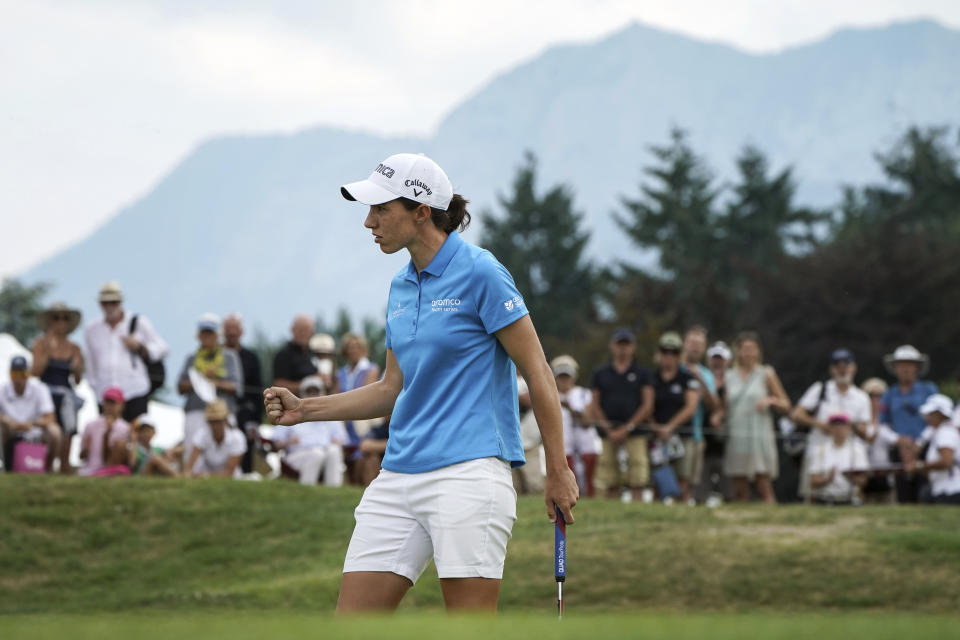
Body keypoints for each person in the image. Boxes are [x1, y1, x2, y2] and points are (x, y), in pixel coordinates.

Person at [263, 152, 578, 613]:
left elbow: (538, 373)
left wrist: (557, 468)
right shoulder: (400, 287)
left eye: (381, 210)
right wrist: (305, 410)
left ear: (421, 211)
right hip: (399, 475)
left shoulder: (482, 272)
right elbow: (392, 388)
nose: (370, 222)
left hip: (470, 474)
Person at [790, 349, 871, 501]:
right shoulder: (820, 389)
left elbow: (865, 430)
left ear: (854, 368)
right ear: (831, 369)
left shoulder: (861, 397)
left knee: (853, 492)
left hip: (849, 453)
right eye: (837, 366)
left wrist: (847, 426)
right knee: (812, 493)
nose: (842, 369)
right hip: (818, 449)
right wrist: (822, 425)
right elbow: (796, 414)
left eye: (846, 365)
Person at [722, 332, 791, 503]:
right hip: (737, 435)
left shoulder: (766, 373)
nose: (748, 353)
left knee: (763, 485)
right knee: (739, 488)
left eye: (752, 349)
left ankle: (771, 523)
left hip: (759, 435)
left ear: (758, 351)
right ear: (737, 351)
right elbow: (724, 407)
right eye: (744, 349)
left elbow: (786, 405)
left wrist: (770, 401)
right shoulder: (728, 376)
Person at [84, 281, 168, 421]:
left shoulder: (138, 322)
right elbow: (91, 362)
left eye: (114, 302)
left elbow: (163, 348)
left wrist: (140, 347)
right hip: (106, 394)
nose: (110, 307)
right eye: (106, 303)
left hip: (134, 390)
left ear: (120, 302)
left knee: (135, 434)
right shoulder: (92, 329)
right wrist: (94, 386)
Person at [589, 328, 654, 501]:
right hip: (608, 433)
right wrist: (608, 429)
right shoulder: (600, 373)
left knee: (637, 476)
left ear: (633, 347)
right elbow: (595, 404)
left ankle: (636, 512)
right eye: (620, 344)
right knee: (609, 476)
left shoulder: (643, 374)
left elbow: (647, 405)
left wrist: (627, 428)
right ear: (612, 346)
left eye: (627, 344)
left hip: (636, 432)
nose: (623, 348)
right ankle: (613, 512)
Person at [176, 313, 243, 464]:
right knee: (193, 454)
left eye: (210, 333)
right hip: (195, 411)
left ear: (217, 334)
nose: (207, 336)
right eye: (204, 333)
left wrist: (213, 382)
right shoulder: (191, 359)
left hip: (222, 412)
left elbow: (236, 387)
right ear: (198, 335)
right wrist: (200, 380)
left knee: (225, 455)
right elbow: (180, 386)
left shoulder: (229, 356)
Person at [880, 345, 937, 503]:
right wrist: (898, 440)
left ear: (916, 367)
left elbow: (937, 421)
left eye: (909, 364)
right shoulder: (889, 394)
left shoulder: (928, 390)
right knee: (903, 494)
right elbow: (882, 425)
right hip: (899, 452)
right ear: (895, 367)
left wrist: (919, 443)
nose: (905, 368)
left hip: (925, 449)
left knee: (925, 492)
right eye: (901, 364)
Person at [32, 302, 85, 473]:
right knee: (46, 431)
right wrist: (47, 354)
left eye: (64, 318)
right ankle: (43, 466)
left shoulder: (75, 348)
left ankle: (64, 467)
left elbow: (77, 380)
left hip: (67, 397)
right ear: (50, 321)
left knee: (68, 431)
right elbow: (34, 373)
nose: (60, 322)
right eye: (56, 318)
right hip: (46, 394)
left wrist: (77, 367)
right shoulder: (40, 344)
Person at [649, 332, 700, 502]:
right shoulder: (651, 378)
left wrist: (669, 427)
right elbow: (646, 405)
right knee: (657, 479)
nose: (668, 356)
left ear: (679, 355)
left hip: (682, 436)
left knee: (682, 480)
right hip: (656, 438)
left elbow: (691, 407)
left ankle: (682, 519)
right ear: (659, 353)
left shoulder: (687, 378)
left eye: (674, 352)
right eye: (665, 352)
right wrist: (656, 427)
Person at [272, 375, 348, 486]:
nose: (313, 395)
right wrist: (288, 442)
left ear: (322, 393)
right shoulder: (291, 413)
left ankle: (333, 490)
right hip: (298, 454)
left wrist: (337, 441)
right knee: (316, 454)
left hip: (325, 452)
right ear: (302, 394)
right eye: (309, 392)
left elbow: (342, 440)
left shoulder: (331, 415)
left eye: (316, 391)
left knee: (334, 450)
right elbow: (276, 443)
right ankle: (307, 487)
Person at [678, 327, 718, 503]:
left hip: (696, 435)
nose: (695, 347)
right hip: (673, 435)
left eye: (699, 344)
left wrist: (700, 380)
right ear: (685, 344)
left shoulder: (706, 374)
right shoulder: (674, 367)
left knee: (690, 481)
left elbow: (713, 406)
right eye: (692, 343)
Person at [0, 356, 60, 472]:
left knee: (55, 432)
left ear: (28, 374)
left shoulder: (40, 388)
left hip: (34, 430)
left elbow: (50, 417)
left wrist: (31, 424)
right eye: (14, 374)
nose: (18, 379)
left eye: (21, 374)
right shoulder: (2, 389)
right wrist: (8, 421)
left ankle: (47, 468)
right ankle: (5, 468)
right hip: (9, 430)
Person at [223, 313, 264, 474]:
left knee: (246, 443)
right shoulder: (216, 355)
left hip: (244, 412)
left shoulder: (251, 358)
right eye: (228, 329)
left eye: (235, 329)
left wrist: (257, 421)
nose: (232, 333)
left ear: (241, 331)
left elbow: (257, 391)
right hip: (221, 409)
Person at [553, 355, 597, 498]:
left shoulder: (583, 394)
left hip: (585, 445)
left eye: (567, 376)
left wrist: (570, 408)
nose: (564, 380)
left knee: (588, 479)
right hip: (565, 446)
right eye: (561, 376)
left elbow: (587, 421)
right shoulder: (551, 395)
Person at [909, 394, 960, 505]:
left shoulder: (945, 432)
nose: (927, 417)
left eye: (931, 414)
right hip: (945, 490)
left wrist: (920, 465)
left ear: (940, 415)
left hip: (950, 492)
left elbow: (946, 461)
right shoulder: (942, 431)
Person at [807, 414, 869, 505]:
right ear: (830, 428)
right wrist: (827, 479)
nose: (838, 429)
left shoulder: (857, 450)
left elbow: (863, 480)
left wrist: (851, 477)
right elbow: (813, 481)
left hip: (849, 500)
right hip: (825, 500)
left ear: (848, 428)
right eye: (835, 425)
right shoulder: (820, 450)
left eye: (842, 425)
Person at [857, 378, 897, 504]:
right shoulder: (859, 422)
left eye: (880, 395)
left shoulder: (891, 421)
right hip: (864, 475)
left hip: (887, 476)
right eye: (871, 395)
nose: (876, 399)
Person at [184, 399, 246, 478]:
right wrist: (188, 474)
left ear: (225, 420)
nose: (216, 426)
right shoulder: (201, 435)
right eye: (212, 421)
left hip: (231, 478)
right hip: (205, 477)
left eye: (218, 421)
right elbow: (189, 467)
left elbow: (230, 472)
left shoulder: (237, 437)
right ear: (208, 422)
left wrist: (205, 476)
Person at [77, 386, 131, 476]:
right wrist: (85, 450)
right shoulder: (90, 425)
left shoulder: (126, 428)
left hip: (113, 468)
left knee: (120, 444)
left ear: (122, 405)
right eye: (107, 402)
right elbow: (82, 456)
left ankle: (108, 471)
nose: (109, 406)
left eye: (113, 403)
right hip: (90, 469)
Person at [703, 341, 732, 504]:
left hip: (727, 445)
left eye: (721, 358)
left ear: (728, 361)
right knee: (699, 493)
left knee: (730, 493)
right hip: (704, 443)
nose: (717, 362)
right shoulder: (703, 378)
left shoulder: (733, 381)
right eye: (714, 358)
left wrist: (720, 414)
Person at [512, 373, 544, 494]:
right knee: (514, 486)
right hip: (510, 443)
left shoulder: (532, 378)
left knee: (534, 485)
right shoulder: (504, 376)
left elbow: (535, 400)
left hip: (530, 444)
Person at [272, 315, 318, 395]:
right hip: (294, 405)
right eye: (300, 330)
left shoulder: (314, 353)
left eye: (307, 330)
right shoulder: (283, 355)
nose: (303, 333)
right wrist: (310, 383)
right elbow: (279, 385)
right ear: (292, 330)